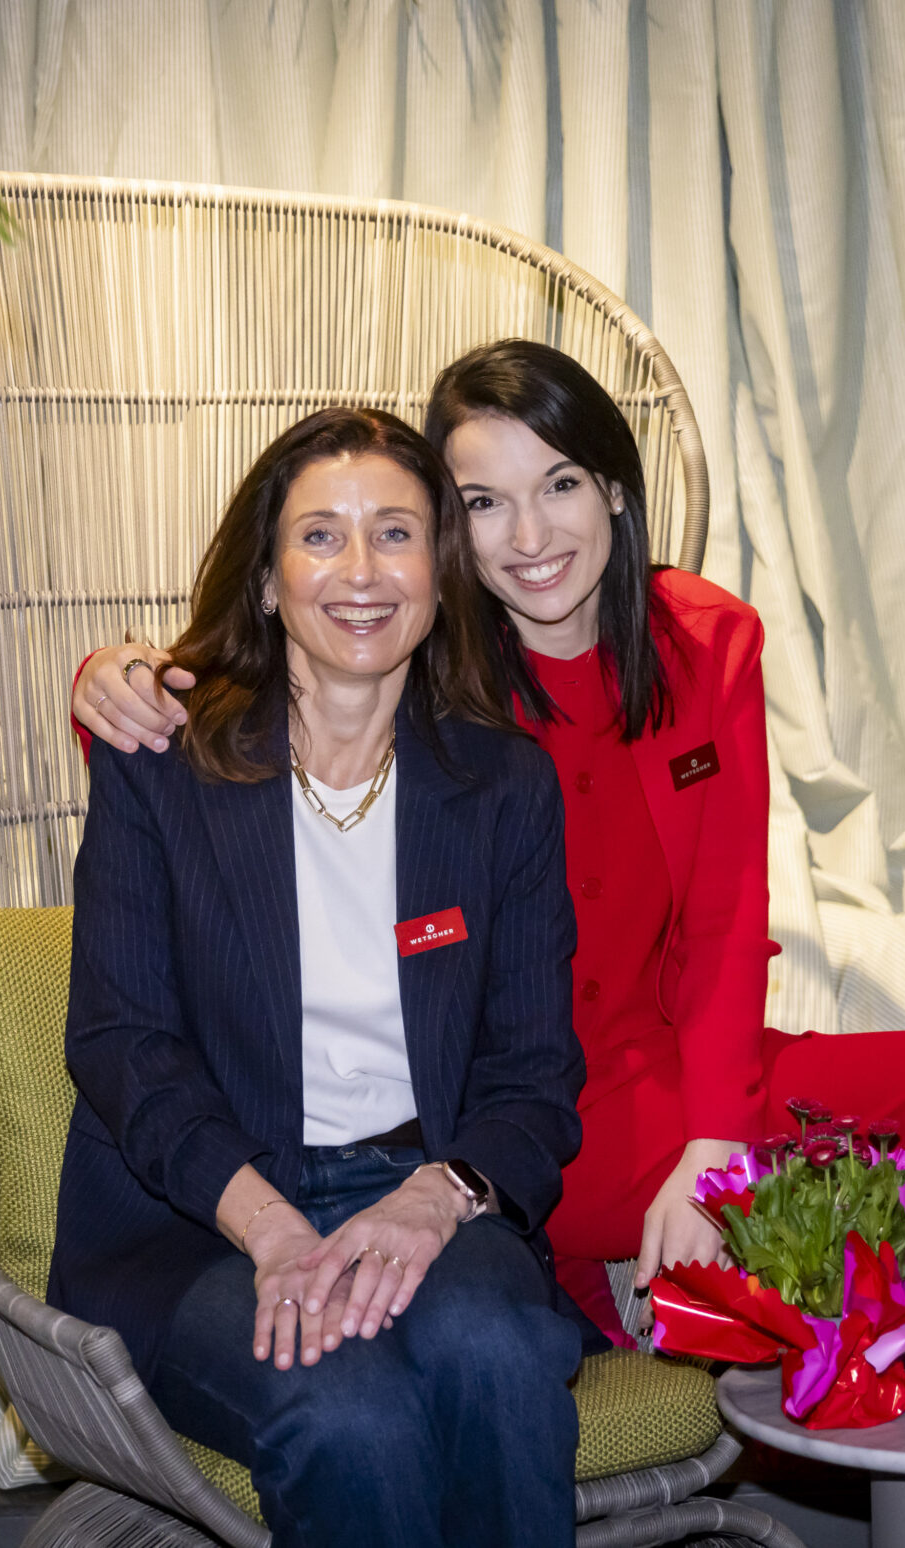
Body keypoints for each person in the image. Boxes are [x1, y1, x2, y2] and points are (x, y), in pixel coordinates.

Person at [73, 341, 905, 1342]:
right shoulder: (428, 670)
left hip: (693, 1074)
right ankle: (608, 1285)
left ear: (616, 489)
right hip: (536, 1110)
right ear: (449, 530)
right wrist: (110, 682)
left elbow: (725, 920)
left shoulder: (704, 641)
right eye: (483, 502)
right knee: (795, 1235)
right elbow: (235, 730)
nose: (531, 535)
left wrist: (715, 1141)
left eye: (559, 484)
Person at [49, 406, 585, 1547]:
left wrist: (437, 1196)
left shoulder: (501, 787)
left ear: (439, 573)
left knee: (498, 1352)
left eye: (394, 533)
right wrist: (274, 1229)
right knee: (352, 1416)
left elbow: (535, 1072)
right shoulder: (165, 765)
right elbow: (121, 1043)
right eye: (320, 536)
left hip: (423, 1187)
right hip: (200, 1217)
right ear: (266, 578)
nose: (361, 571)